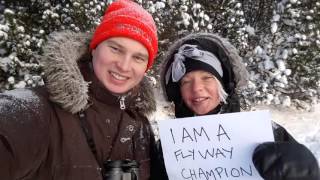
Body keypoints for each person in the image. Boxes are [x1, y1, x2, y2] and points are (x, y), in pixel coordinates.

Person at [0, 0, 160, 180]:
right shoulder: (35, 110)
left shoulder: (140, 125)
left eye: (138, 57)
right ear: (94, 48)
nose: (124, 66)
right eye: (115, 49)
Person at [158, 32, 320, 180]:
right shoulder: (166, 147)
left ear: (223, 83)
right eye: (186, 81)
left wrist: (303, 172)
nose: (196, 88)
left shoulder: (267, 133)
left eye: (207, 77)